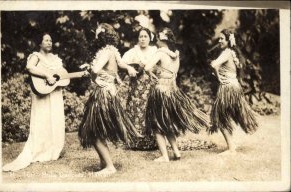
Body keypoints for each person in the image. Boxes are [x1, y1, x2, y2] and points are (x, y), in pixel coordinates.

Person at [78, 23, 141, 176]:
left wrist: (94, 78)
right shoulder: (113, 50)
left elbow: (94, 70)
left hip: (103, 93)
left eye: (97, 33)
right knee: (95, 130)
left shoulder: (105, 52)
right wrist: (129, 68)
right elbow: (120, 64)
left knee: (93, 131)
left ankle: (109, 167)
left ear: (100, 36)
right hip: (110, 93)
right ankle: (104, 163)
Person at [144, 28, 210, 162]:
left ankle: (164, 156)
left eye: (158, 38)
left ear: (162, 40)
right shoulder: (176, 54)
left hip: (161, 89)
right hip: (172, 90)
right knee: (167, 123)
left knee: (157, 124)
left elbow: (146, 67)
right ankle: (176, 152)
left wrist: (152, 75)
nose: (156, 40)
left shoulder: (160, 53)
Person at [3, 33, 67, 171]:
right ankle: (40, 149)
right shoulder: (35, 56)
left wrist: (57, 79)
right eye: (46, 40)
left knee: (54, 118)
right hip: (41, 92)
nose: (49, 42)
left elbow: (62, 74)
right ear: (40, 43)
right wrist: (47, 75)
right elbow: (30, 68)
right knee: (42, 119)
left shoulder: (55, 59)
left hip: (55, 93)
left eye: (51, 40)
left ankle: (52, 150)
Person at [208, 29, 258, 154]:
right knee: (224, 116)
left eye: (222, 39)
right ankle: (232, 147)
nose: (219, 41)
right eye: (219, 38)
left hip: (228, 88)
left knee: (219, 117)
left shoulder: (226, 53)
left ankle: (231, 149)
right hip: (234, 86)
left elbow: (214, 65)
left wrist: (219, 77)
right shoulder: (233, 53)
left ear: (228, 41)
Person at [121, 27, 158, 150]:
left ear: (149, 38)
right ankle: (135, 142)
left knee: (150, 110)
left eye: (145, 36)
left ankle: (151, 142)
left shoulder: (154, 51)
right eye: (140, 36)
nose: (142, 39)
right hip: (136, 86)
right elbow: (121, 62)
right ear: (138, 38)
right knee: (136, 110)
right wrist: (130, 68)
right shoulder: (133, 51)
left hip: (151, 85)